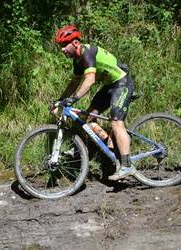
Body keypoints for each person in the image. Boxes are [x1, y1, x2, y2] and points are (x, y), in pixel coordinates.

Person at [52, 24, 136, 180]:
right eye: (61, 46)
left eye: (64, 45)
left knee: (116, 123)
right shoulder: (77, 60)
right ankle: (109, 146)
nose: (62, 49)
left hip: (122, 83)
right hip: (110, 86)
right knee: (87, 120)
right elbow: (74, 83)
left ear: (75, 43)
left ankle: (127, 165)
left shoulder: (86, 52)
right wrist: (60, 100)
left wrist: (72, 100)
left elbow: (89, 80)